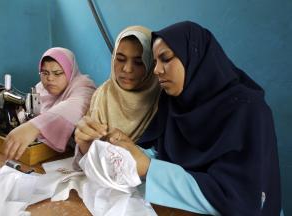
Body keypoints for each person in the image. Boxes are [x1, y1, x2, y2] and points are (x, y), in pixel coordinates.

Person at [106, 21, 282, 215]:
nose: (156, 70)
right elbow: (158, 151)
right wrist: (123, 148)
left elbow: (238, 197)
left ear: (195, 56)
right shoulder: (174, 101)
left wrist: (150, 169)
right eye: (155, 62)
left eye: (165, 58)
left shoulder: (248, 111)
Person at [73, 26, 160, 164]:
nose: (127, 69)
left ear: (151, 64)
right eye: (120, 59)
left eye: (138, 62)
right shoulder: (102, 95)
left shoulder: (163, 100)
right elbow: (88, 155)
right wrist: (84, 144)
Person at [5, 47, 96, 160]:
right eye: (44, 73)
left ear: (70, 72)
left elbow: (73, 107)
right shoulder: (41, 88)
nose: (50, 79)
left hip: (78, 158)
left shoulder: (84, 87)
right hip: (51, 158)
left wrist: (33, 127)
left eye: (57, 73)